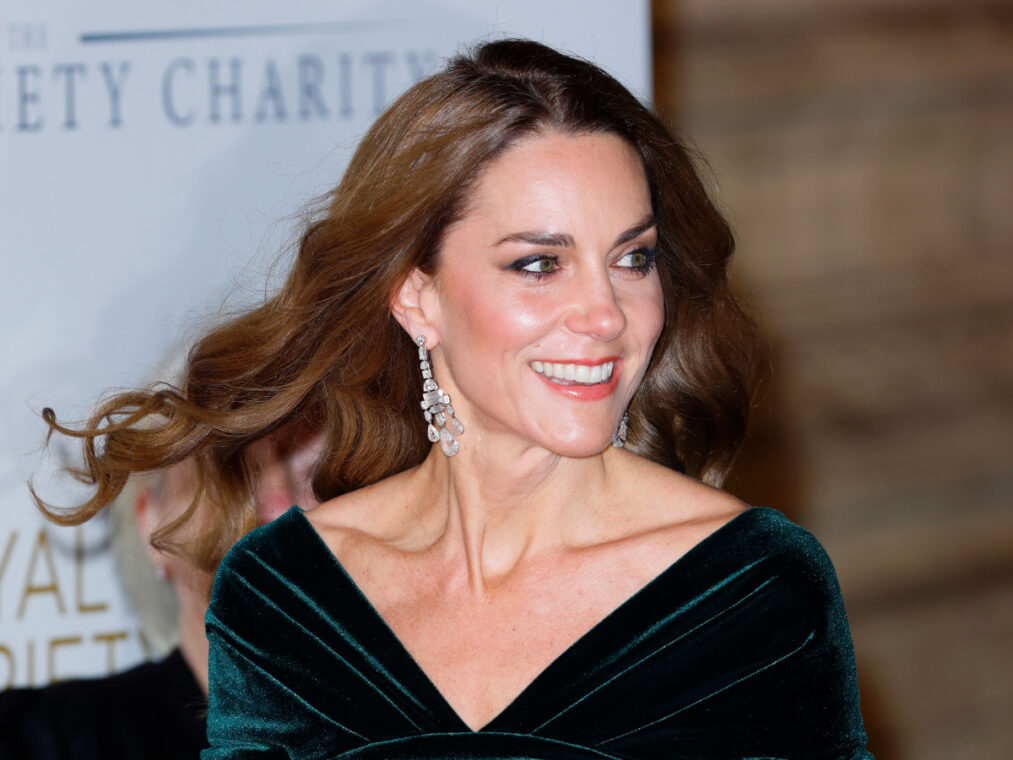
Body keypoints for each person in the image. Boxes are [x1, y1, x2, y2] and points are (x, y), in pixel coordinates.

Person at [36, 40, 873, 759]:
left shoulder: (750, 589)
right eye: (539, 264)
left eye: (632, 259)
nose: (606, 315)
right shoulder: (287, 593)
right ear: (416, 296)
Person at [5, 416, 320, 759]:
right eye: (232, 465)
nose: (281, 505)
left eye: (319, 473)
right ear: (154, 527)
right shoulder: (40, 741)